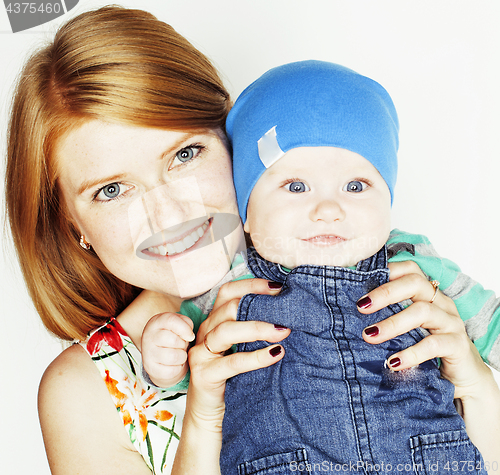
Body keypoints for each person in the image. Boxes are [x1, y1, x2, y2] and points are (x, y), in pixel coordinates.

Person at [4, 6, 499, 475]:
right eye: (112, 190)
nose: (170, 213)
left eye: (185, 154)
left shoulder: (397, 278)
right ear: (72, 226)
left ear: (233, 140)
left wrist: (476, 385)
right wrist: (202, 419)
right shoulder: (87, 389)